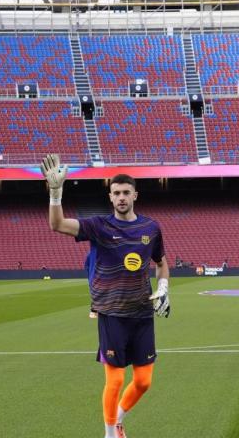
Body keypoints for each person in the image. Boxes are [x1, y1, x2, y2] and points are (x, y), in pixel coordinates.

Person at [42, 154, 170, 438]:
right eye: (116, 193)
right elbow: (58, 225)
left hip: (141, 313)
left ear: (135, 195)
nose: (121, 197)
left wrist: (163, 289)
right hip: (111, 313)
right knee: (114, 382)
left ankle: (119, 418)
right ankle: (110, 434)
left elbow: (161, 264)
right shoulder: (98, 226)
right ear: (110, 198)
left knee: (144, 382)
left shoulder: (151, 228)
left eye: (126, 193)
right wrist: (55, 193)